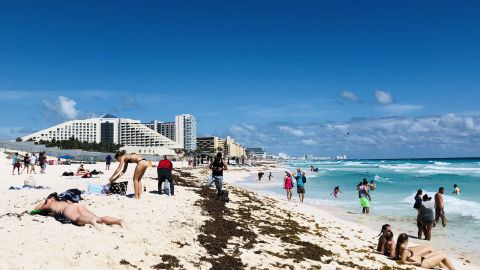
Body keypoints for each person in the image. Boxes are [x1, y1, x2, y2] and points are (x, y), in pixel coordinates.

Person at [33, 192, 124, 227]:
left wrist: (44, 202)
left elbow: (36, 209)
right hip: (77, 206)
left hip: (67, 209)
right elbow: (71, 203)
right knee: (99, 219)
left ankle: (90, 221)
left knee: (77, 219)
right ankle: (118, 221)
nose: (46, 200)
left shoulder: (49, 204)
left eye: (47, 199)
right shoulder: (64, 200)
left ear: (52, 199)